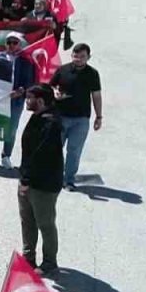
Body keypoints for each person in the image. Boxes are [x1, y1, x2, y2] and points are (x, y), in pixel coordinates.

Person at [18, 85, 65, 275]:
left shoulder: (51, 123)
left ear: (41, 101)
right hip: (28, 179)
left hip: (43, 185)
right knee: (27, 221)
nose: (26, 101)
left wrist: (26, 180)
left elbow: (41, 155)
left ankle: (49, 262)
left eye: (30, 98)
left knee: (45, 223)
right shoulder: (38, 116)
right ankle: (28, 258)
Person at [50, 43, 102, 191]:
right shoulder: (62, 70)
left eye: (82, 56)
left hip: (81, 120)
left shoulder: (93, 74)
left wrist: (99, 117)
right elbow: (51, 86)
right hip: (60, 117)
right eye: (75, 55)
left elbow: (96, 96)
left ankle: (69, 180)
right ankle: (54, 178)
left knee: (74, 151)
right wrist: (55, 92)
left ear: (88, 57)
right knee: (54, 149)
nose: (78, 59)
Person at [0, 33, 36, 170]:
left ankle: (6, 156)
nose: (12, 45)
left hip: (16, 101)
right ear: (5, 44)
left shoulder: (25, 60)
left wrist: (21, 91)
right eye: (9, 42)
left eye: (15, 42)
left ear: (19, 44)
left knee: (11, 129)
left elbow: (29, 80)